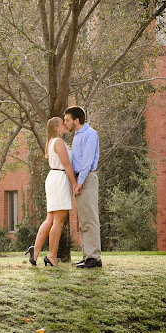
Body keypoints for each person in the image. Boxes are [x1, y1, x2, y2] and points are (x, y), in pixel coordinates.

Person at [25, 117, 77, 266]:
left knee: (50, 219)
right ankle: (52, 255)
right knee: (58, 222)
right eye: (62, 123)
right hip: (59, 179)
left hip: (54, 178)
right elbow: (66, 164)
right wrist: (74, 183)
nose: (65, 124)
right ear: (56, 128)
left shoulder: (52, 142)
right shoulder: (58, 142)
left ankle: (35, 251)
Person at [64, 106, 102, 269]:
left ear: (76, 120)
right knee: (84, 219)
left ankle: (94, 258)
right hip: (80, 179)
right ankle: (87, 256)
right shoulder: (78, 135)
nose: (65, 123)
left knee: (90, 218)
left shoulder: (90, 134)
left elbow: (87, 161)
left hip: (86, 179)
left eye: (67, 120)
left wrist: (79, 182)